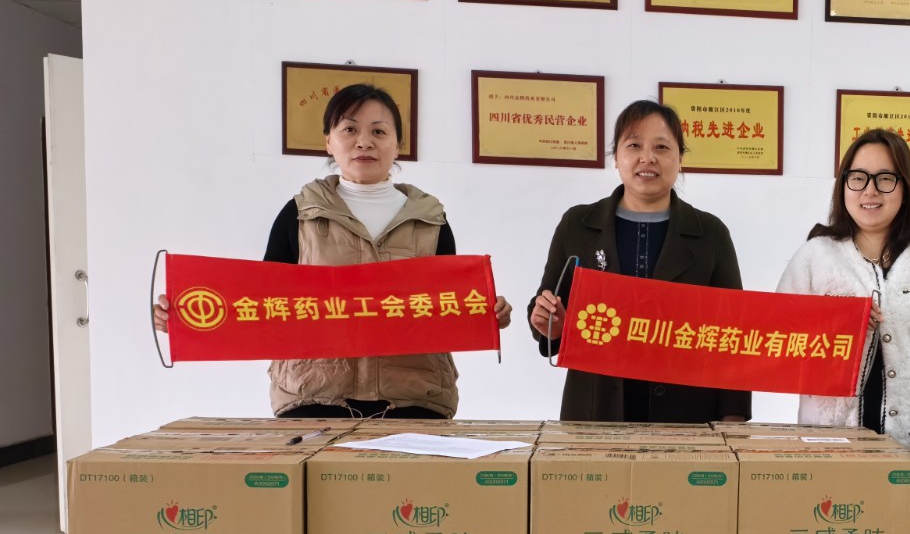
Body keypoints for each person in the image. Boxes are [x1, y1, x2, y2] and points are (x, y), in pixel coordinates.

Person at [153, 83, 513, 418]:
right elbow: (262, 303)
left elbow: (446, 304)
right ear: (329, 141)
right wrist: (188, 318)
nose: (364, 142)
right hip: (313, 395)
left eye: (379, 132)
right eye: (350, 129)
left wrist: (485, 313)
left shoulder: (431, 218)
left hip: (415, 397)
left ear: (398, 145)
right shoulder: (298, 214)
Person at [528, 100, 749, 423]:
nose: (648, 157)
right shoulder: (577, 225)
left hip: (687, 412)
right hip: (595, 409)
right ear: (616, 157)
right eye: (634, 145)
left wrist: (733, 415)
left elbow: (735, 332)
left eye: (661, 147)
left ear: (680, 159)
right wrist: (551, 323)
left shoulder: (710, 233)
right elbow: (548, 308)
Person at [776, 128, 910, 445]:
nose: (870, 191)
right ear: (843, 185)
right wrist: (832, 323)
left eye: (885, 178)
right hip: (830, 436)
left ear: (905, 188)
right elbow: (778, 344)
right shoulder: (814, 256)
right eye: (858, 178)